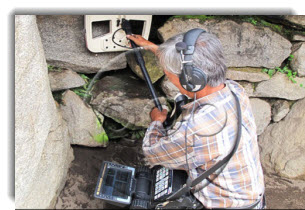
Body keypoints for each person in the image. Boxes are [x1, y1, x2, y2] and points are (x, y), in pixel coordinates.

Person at [126, 30, 265, 209]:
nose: (168, 77)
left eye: (169, 75)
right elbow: (193, 62)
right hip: (250, 199)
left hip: (223, 204)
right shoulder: (235, 91)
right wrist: (154, 48)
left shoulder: (196, 127)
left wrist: (157, 121)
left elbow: (152, 152)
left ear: (191, 80)